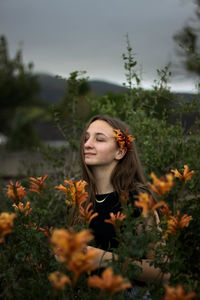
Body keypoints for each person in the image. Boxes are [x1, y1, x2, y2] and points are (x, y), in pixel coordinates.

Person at [79, 115, 169, 295]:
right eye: (86, 138)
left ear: (120, 152)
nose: (87, 144)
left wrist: (104, 259)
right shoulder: (79, 196)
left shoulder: (138, 198)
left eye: (100, 139)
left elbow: (163, 271)